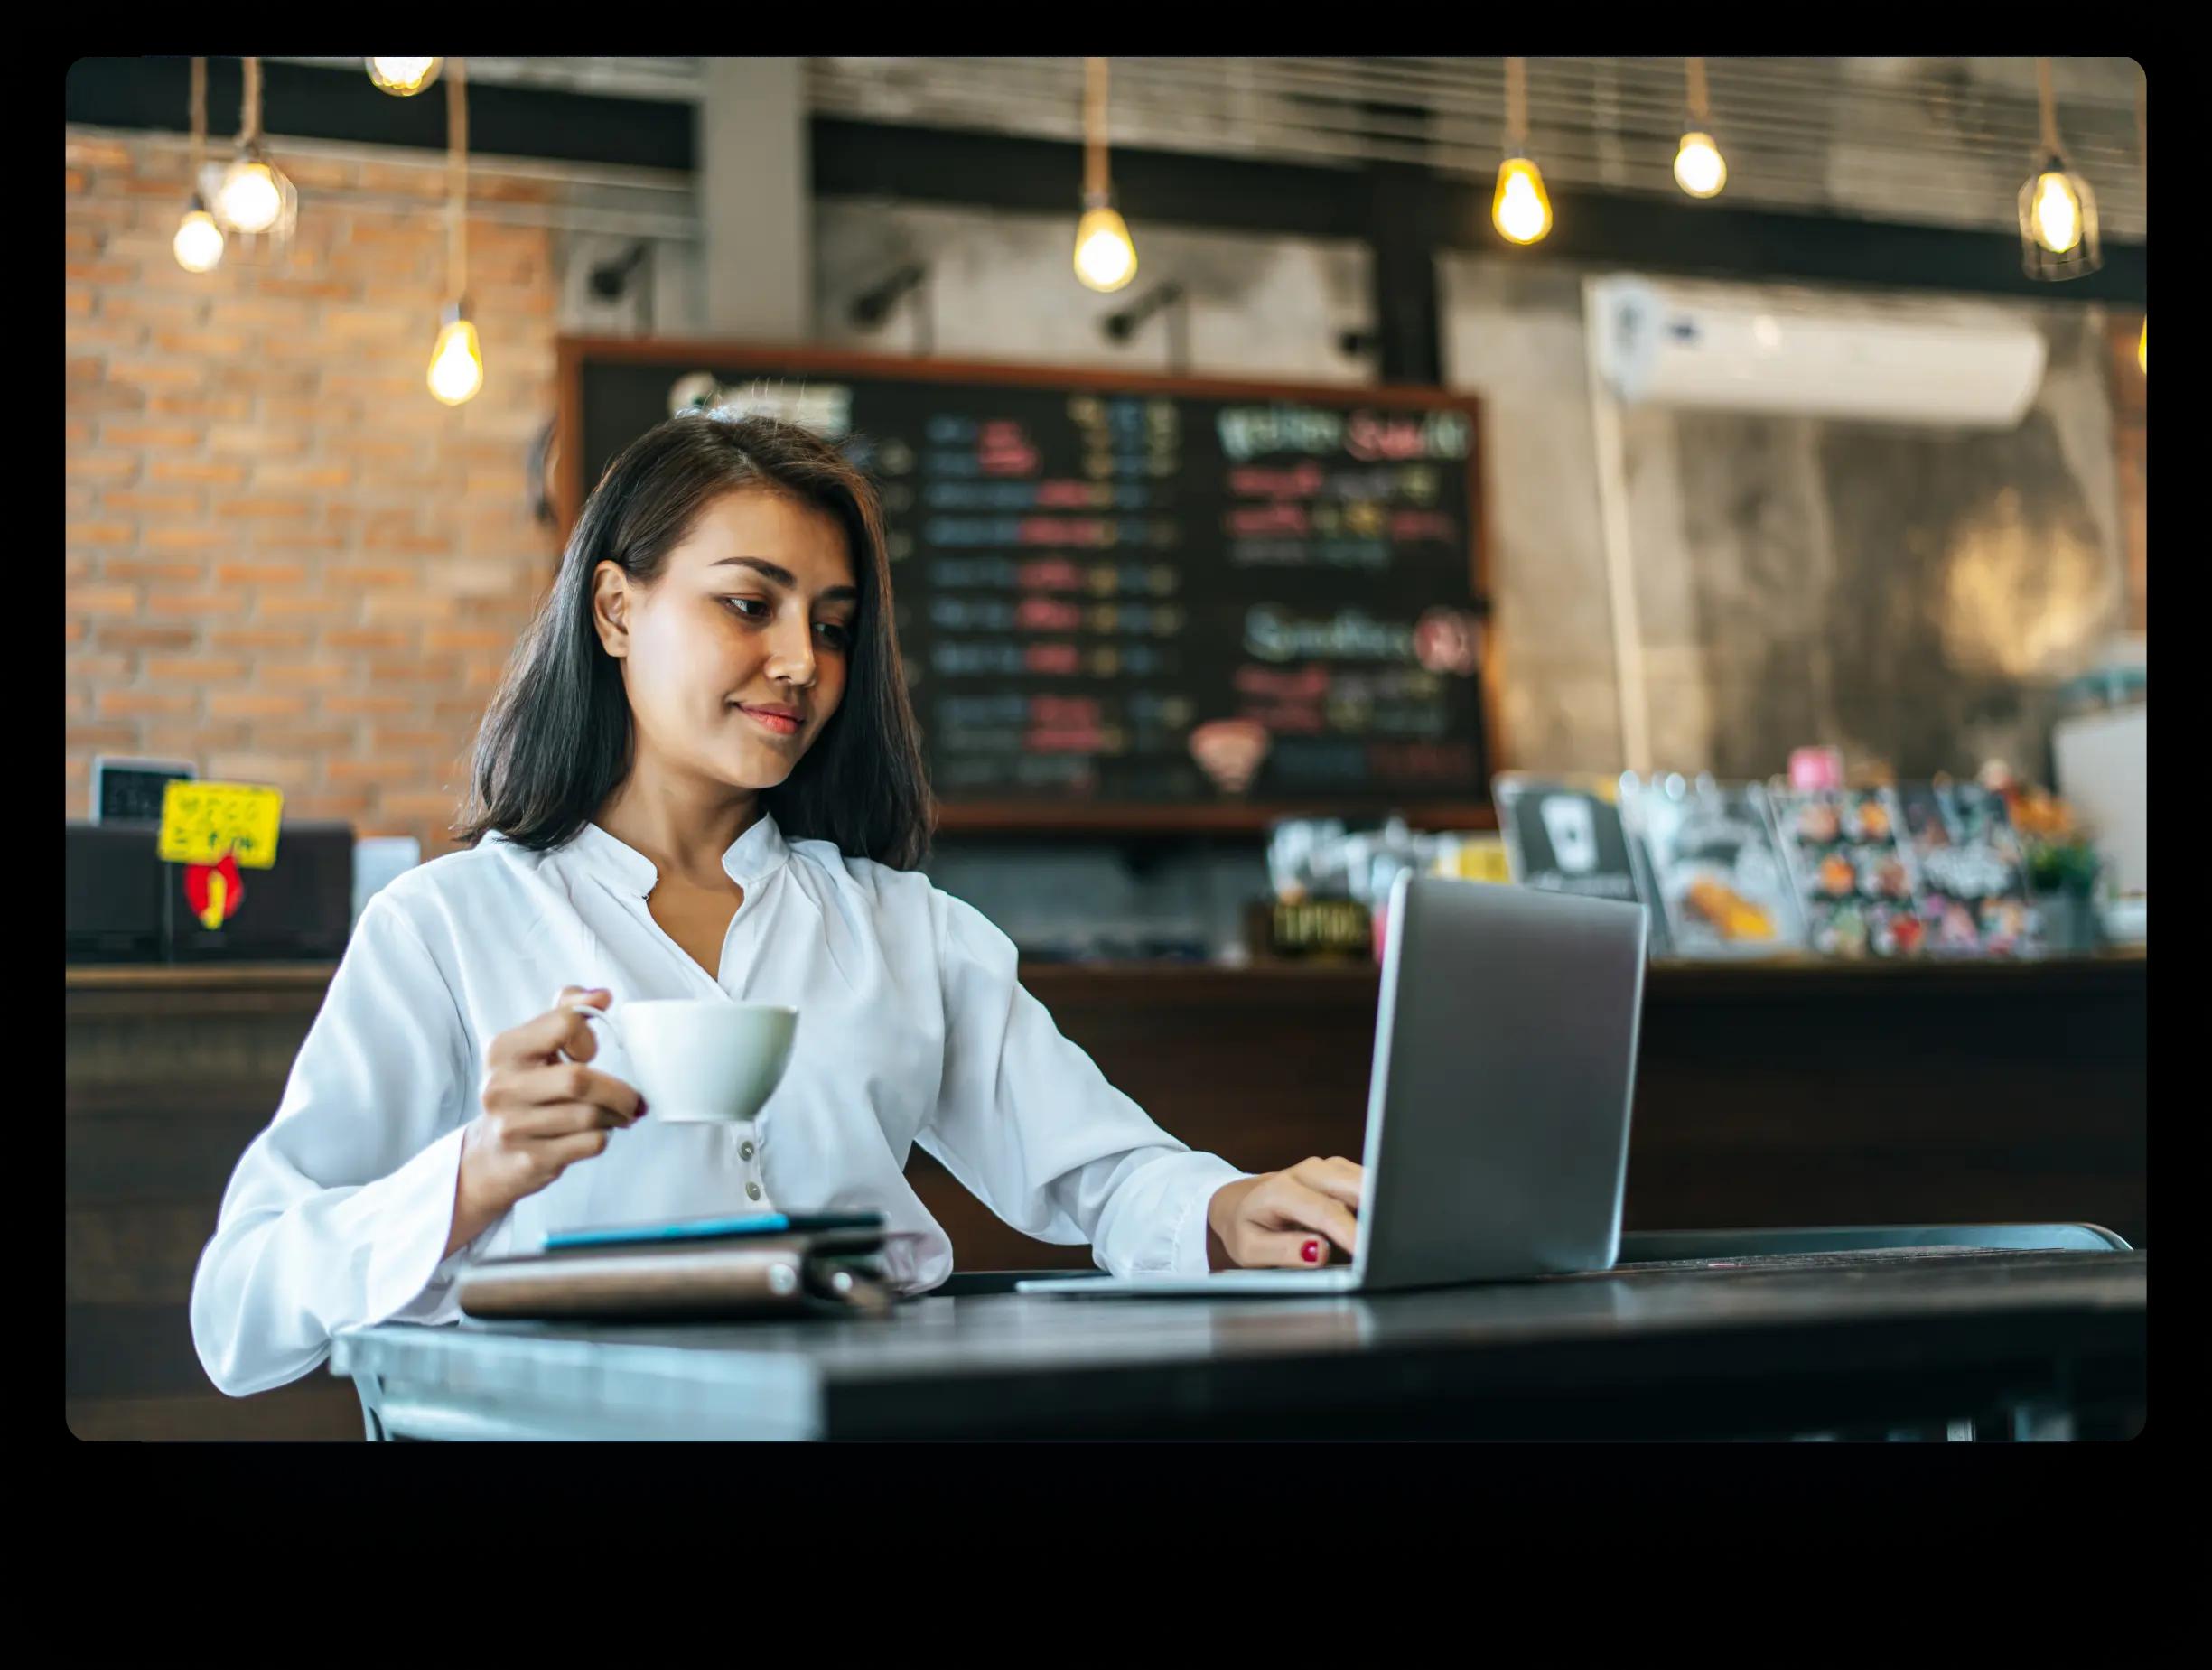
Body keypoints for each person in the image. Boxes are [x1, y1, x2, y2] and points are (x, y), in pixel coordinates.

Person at [191, 410, 1366, 1397]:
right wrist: (474, 1170)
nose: (801, 659)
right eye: (749, 604)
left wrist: (1228, 1204)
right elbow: (238, 1309)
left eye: (833, 625)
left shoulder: (902, 929)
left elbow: (1106, 1175)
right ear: (614, 611)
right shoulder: (444, 927)